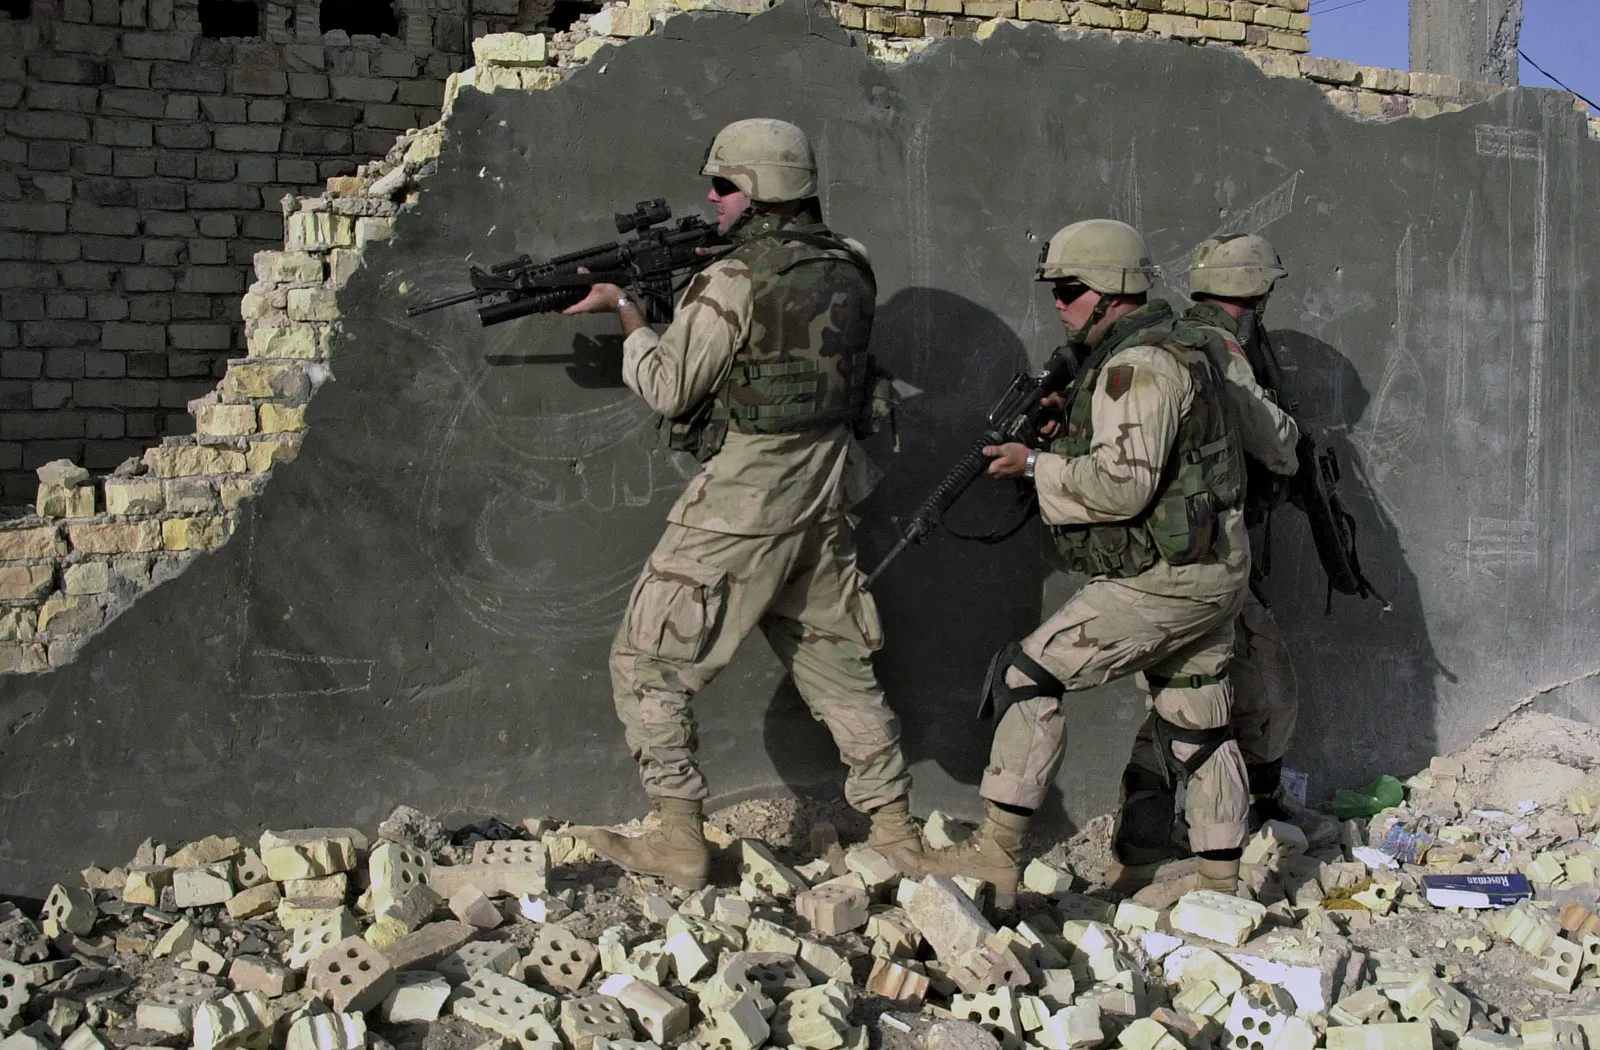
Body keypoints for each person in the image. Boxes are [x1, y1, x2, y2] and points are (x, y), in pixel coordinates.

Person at [560, 118, 919, 889]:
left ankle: (679, 840)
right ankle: (896, 834)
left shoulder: (729, 279)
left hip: (746, 500)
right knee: (838, 667)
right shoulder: (853, 264)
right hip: (826, 491)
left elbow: (669, 387)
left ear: (759, 190)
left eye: (724, 185)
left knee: (645, 664)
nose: (714, 199)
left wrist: (629, 316)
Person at [920, 219, 1263, 897]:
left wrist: (1033, 465)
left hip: (1163, 582)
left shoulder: (1137, 368)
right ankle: (1217, 882)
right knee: (1198, 719)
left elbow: (1122, 486)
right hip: (1213, 567)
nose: (1058, 303)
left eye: (1069, 289)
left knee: (1027, 676)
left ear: (1110, 292)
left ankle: (996, 854)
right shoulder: (1179, 346)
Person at [1178, 234, 1303, 827]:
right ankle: (1245, 819)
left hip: (1190, 548)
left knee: (1213, 696)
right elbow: (1275, 444)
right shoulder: (1218, 346)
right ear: (1255, 288)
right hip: (1207, 556)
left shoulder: (1179, 337)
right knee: (1261, 689)